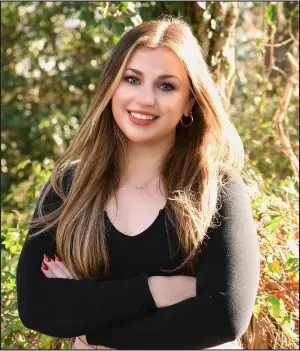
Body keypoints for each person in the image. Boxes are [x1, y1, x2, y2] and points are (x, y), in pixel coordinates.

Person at [16, 17, 260, 350]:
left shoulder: (217, 189)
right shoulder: (68, 186)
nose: (145, 99)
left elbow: (224, 317)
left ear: (190, 103)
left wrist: (93, 323)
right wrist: (158, 291)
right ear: (111, 87)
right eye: (132, 79)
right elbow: (37, 306)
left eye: (166, 86)